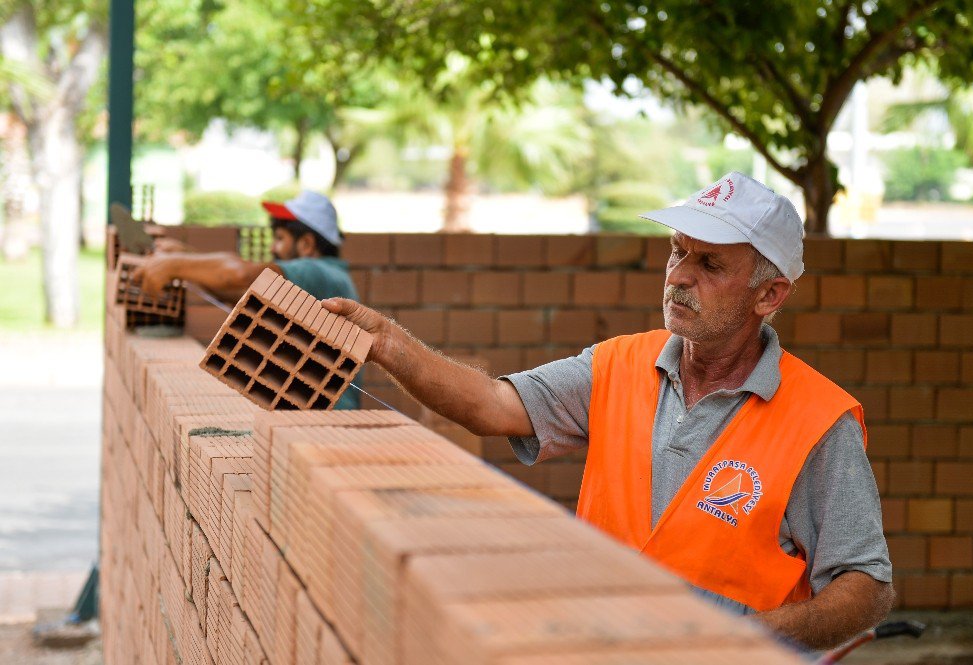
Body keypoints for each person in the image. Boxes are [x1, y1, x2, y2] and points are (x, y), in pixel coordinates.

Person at [320, 172, 894, 650]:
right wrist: (391, 345)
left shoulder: (818, 420)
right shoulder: (618, 365)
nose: (678, 276)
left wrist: (740, 639)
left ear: (770, 295)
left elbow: (865, 586)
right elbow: (494, 404)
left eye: (711, 265)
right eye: (677, 251)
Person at [135, 190, 361, 409]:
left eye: (280, 238)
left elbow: (239, 277)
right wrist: (185, 258)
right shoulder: (331, 277)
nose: (273, 247)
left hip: (326, 421)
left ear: (306, 245)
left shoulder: (316, 272)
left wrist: (176, 264)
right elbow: (240, 291)